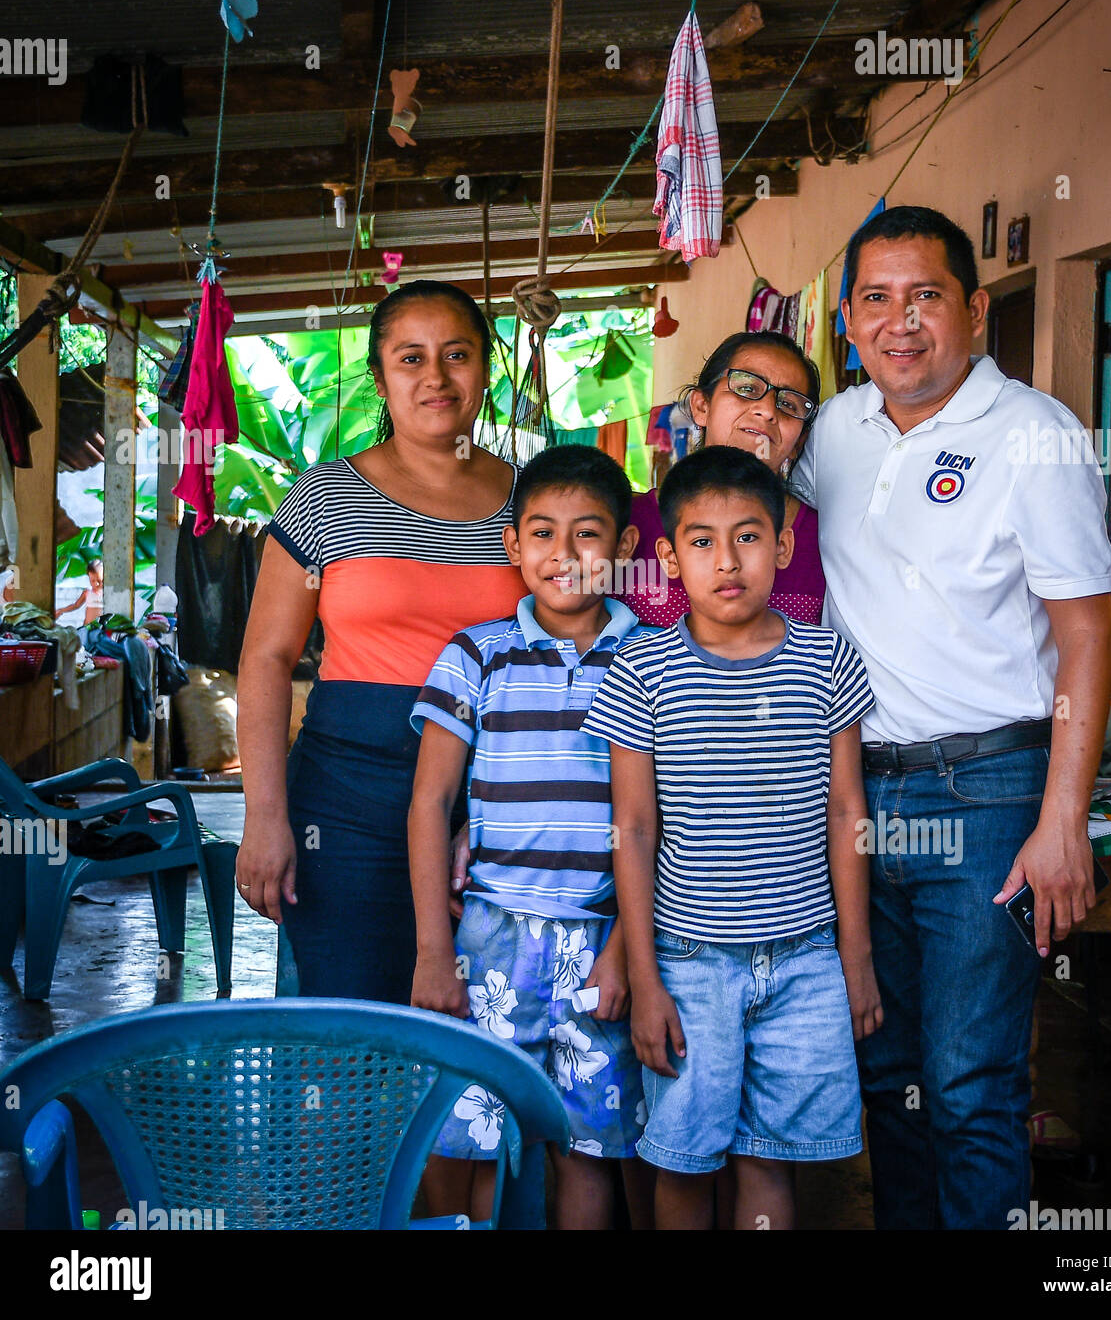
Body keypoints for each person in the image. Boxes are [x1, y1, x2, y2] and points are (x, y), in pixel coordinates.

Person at [793, 205, 1111, 1230]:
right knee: (885, 1071)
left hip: (985, 791)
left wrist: (1062, 816)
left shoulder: (1035, 434)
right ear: (847, 319)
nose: (901, 323)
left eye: (925, 295)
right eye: (876, 300)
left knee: (971, 1082)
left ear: (973, 307)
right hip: (857, 793)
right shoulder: (834, 432)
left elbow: (1085, 637)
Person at [582, 445, 882, 1230]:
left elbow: (848, 812)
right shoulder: (641, 670)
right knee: (682, 1163)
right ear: (670, 556)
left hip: (807, 958)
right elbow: (634, 829)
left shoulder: (826, 660)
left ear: (783, 546)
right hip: (688, 962)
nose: (728, 560)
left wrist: (855, 959)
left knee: (770, 1162)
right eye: (703, 540)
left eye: (749, 537)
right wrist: (645, 979)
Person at [234, 281, 525, 1002]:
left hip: (496, 796)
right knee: (352, 1027)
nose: (436, 376)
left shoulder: (534, 500)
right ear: (380, 377)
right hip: (344, 800)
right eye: (410, 357)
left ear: (485, 368)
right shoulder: (325, 496)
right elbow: (267, 660)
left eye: (457, 355)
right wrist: (266, 817)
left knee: (490, 1025)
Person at [409, 444, 656, 1228]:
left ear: (623, 548)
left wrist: (625, 950)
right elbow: (429, 803)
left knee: (586, 1144)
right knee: (465, 1129)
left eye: (588, 534)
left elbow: (663, 819)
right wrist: (430, 951)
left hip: (603, 934)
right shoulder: (476, 654)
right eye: (542, 533)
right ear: (514, 545)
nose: (564, 555)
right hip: (489, 937)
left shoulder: (652, 661)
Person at [617, 331, 825, 627]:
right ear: (702, 406)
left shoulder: (824, 540)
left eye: (789, 404)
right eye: (747, 388)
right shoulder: (626, 526)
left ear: (800, 439)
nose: (767, 410)